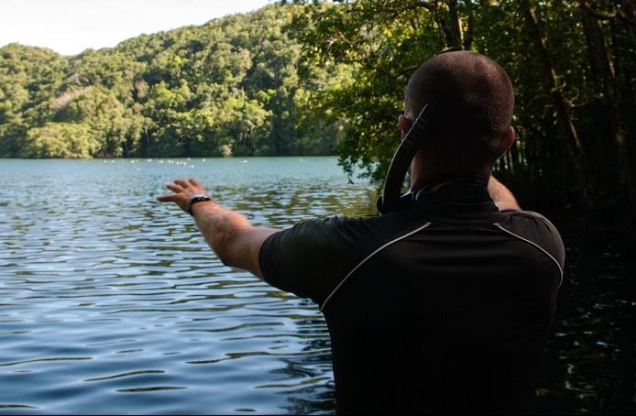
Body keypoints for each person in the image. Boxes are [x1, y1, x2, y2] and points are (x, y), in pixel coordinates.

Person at [157, 50, 565, 415]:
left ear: (406, 129)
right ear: (506, 143)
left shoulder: (349, 251)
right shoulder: (542, 247)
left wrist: (199, 201)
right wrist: (475, 147)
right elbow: (508, 208)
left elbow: (232, 241)